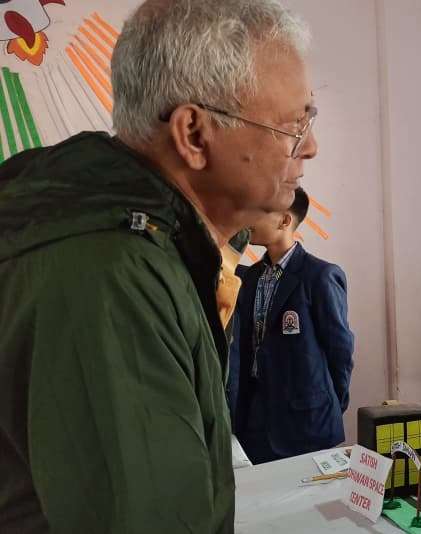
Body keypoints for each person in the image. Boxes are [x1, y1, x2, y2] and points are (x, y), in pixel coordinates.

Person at [0, 0, 316, 530]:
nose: (311, 148)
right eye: (293, 126)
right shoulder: (111, 277)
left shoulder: (157, 248)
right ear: (194, 134)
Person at [228, 187, 353, 464]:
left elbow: (340, 351)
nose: (250, 219)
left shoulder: (319, 275)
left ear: (285, 221)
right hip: (257, 418)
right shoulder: (250, 278)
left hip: (307, 420)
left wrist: (330, 403)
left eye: (260, 212)